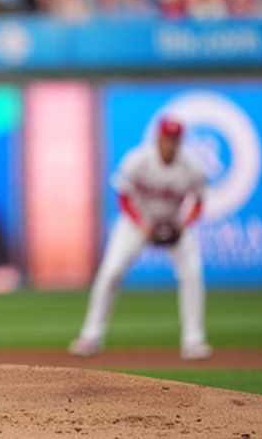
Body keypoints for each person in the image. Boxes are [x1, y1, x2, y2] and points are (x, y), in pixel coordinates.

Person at [69, 117, 212, 360]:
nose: (171, 144)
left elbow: (198, 202)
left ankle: (193, 340)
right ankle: (91, 336)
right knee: (111, 271)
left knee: (193, 272)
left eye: (175, 139)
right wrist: (142, 224)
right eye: (167, 138)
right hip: (137, 222)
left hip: (173, 222)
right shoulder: (138, 160)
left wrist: (184, 224)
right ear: (158, 138)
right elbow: (124, 197)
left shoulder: (192, 167)